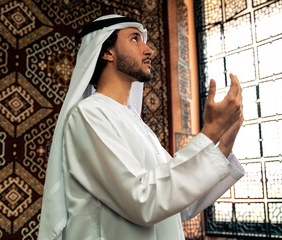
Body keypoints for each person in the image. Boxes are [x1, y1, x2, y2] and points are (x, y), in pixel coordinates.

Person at [38, 14, 244, 240]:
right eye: (135, 39)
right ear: (108, 52)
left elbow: (184, 201)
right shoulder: (88, 115)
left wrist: (223, 144)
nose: (149, 50)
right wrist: (210, 131)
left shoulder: (135, 122)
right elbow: (143, 201)